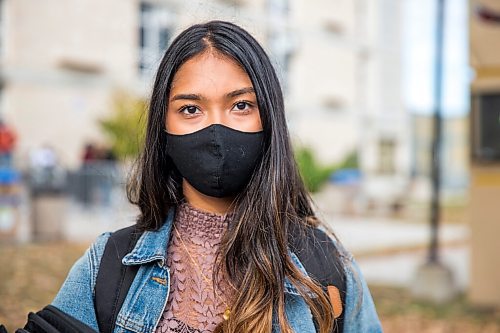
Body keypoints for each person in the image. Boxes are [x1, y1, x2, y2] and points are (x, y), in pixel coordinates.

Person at [51, 21, 382, 333]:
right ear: (163, 129)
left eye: (240, 105)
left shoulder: (325, 266)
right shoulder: (108, 265)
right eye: (190, 109)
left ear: (269, 119)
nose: (216, 132)